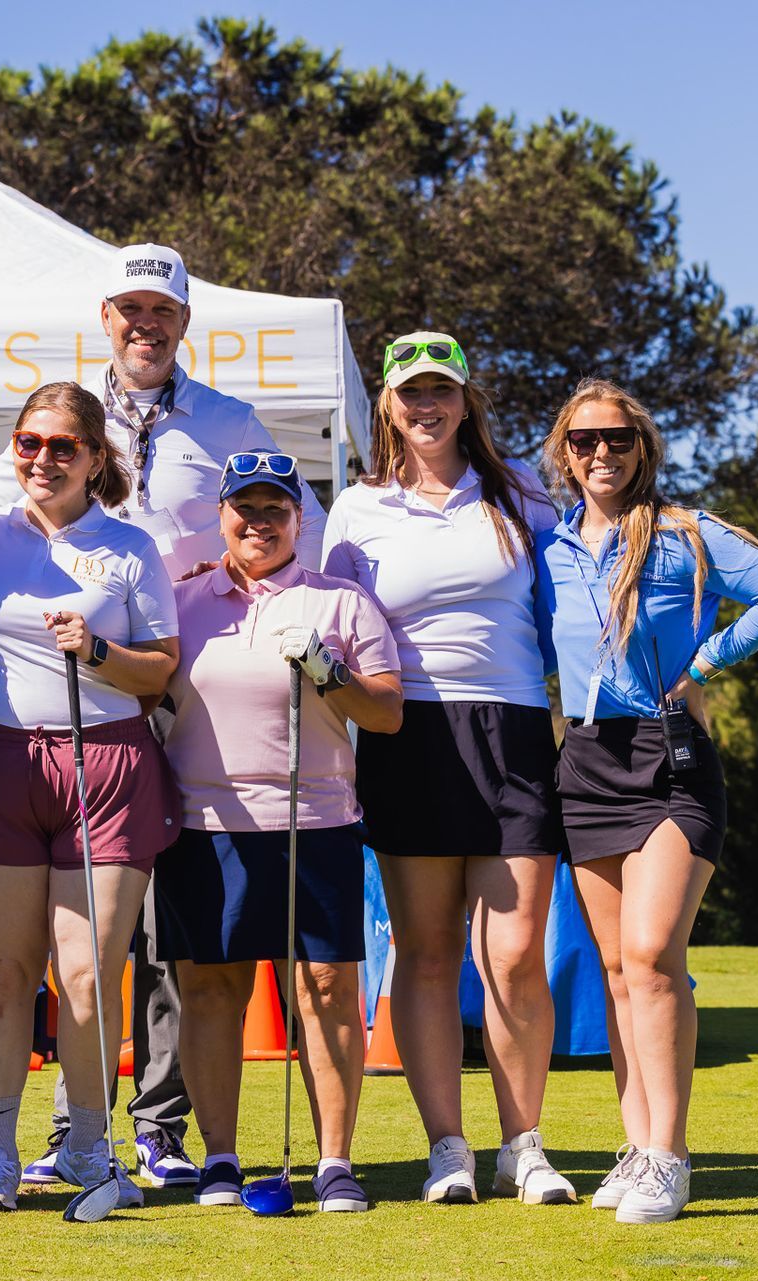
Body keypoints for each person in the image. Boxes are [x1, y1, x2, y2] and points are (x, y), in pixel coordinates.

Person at [0, 243, 327, 1189]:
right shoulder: (59, 426)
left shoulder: (230, 422)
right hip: (55, 710)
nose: (144, 325)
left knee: (162, 933)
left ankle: (154, 1126)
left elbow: (308, 541)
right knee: (75, 954)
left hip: (189, 687)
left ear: (185, 323)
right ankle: (69, 1128)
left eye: (160, 311)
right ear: (107, 319)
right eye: (129, 309)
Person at [533, 377, 758, 1224]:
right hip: (582, 761)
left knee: (654, 956)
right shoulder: (549, 548)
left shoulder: (687, 534)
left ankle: (671, 1153)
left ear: (642, 446)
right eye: (583, 441)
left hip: (669, 756)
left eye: (616, 438)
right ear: (564, 453)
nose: (601, 453)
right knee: (618, 971)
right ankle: (636, 1141)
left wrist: (706, 664)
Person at [321, 331, 575, 1206]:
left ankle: (524, 1144)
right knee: (426, 954)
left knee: (511, 955)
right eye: (409, 392)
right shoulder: (356, 509)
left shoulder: (522, 497)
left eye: (441, 390)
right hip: (407, 737)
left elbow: (577, 604)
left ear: (467, 401)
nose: (425, 405)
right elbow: (331, 622)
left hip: (512, 733)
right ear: (387, 405)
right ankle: (448, 1146)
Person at [0, 381, 182, 1212]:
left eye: (62, 446)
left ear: (95, 458)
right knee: (5, 975)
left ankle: (89, 1146)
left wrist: (101, 650)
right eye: (27, 442)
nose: (42, 458)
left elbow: (160, 672)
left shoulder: (129, 546)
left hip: (106, 768)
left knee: (86, 975)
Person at [155, 453, 403, 1212]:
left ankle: (334, 1161)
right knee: (209, 987)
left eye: (274, 509)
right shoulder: (183, 598)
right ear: (222, 514)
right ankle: (222, 1159)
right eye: (244, 508)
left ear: (299, 518)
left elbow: (387, 713)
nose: (258, 523)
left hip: (315, 818)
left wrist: (329, 671)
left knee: (325, 988)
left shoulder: (343, 602)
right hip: (204, 822)